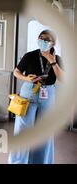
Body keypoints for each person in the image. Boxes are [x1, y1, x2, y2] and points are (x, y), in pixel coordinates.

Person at [8, 29, 63, 164]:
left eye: (46, 39)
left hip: (48, 94)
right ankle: (17, 162)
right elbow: (16, 71)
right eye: (40, 38)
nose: (43, 41)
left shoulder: (58, 59)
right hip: (29, 93)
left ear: (53, 43)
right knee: (23, 131)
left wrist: (53, 62)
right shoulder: (30, 55)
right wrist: (26, 78)